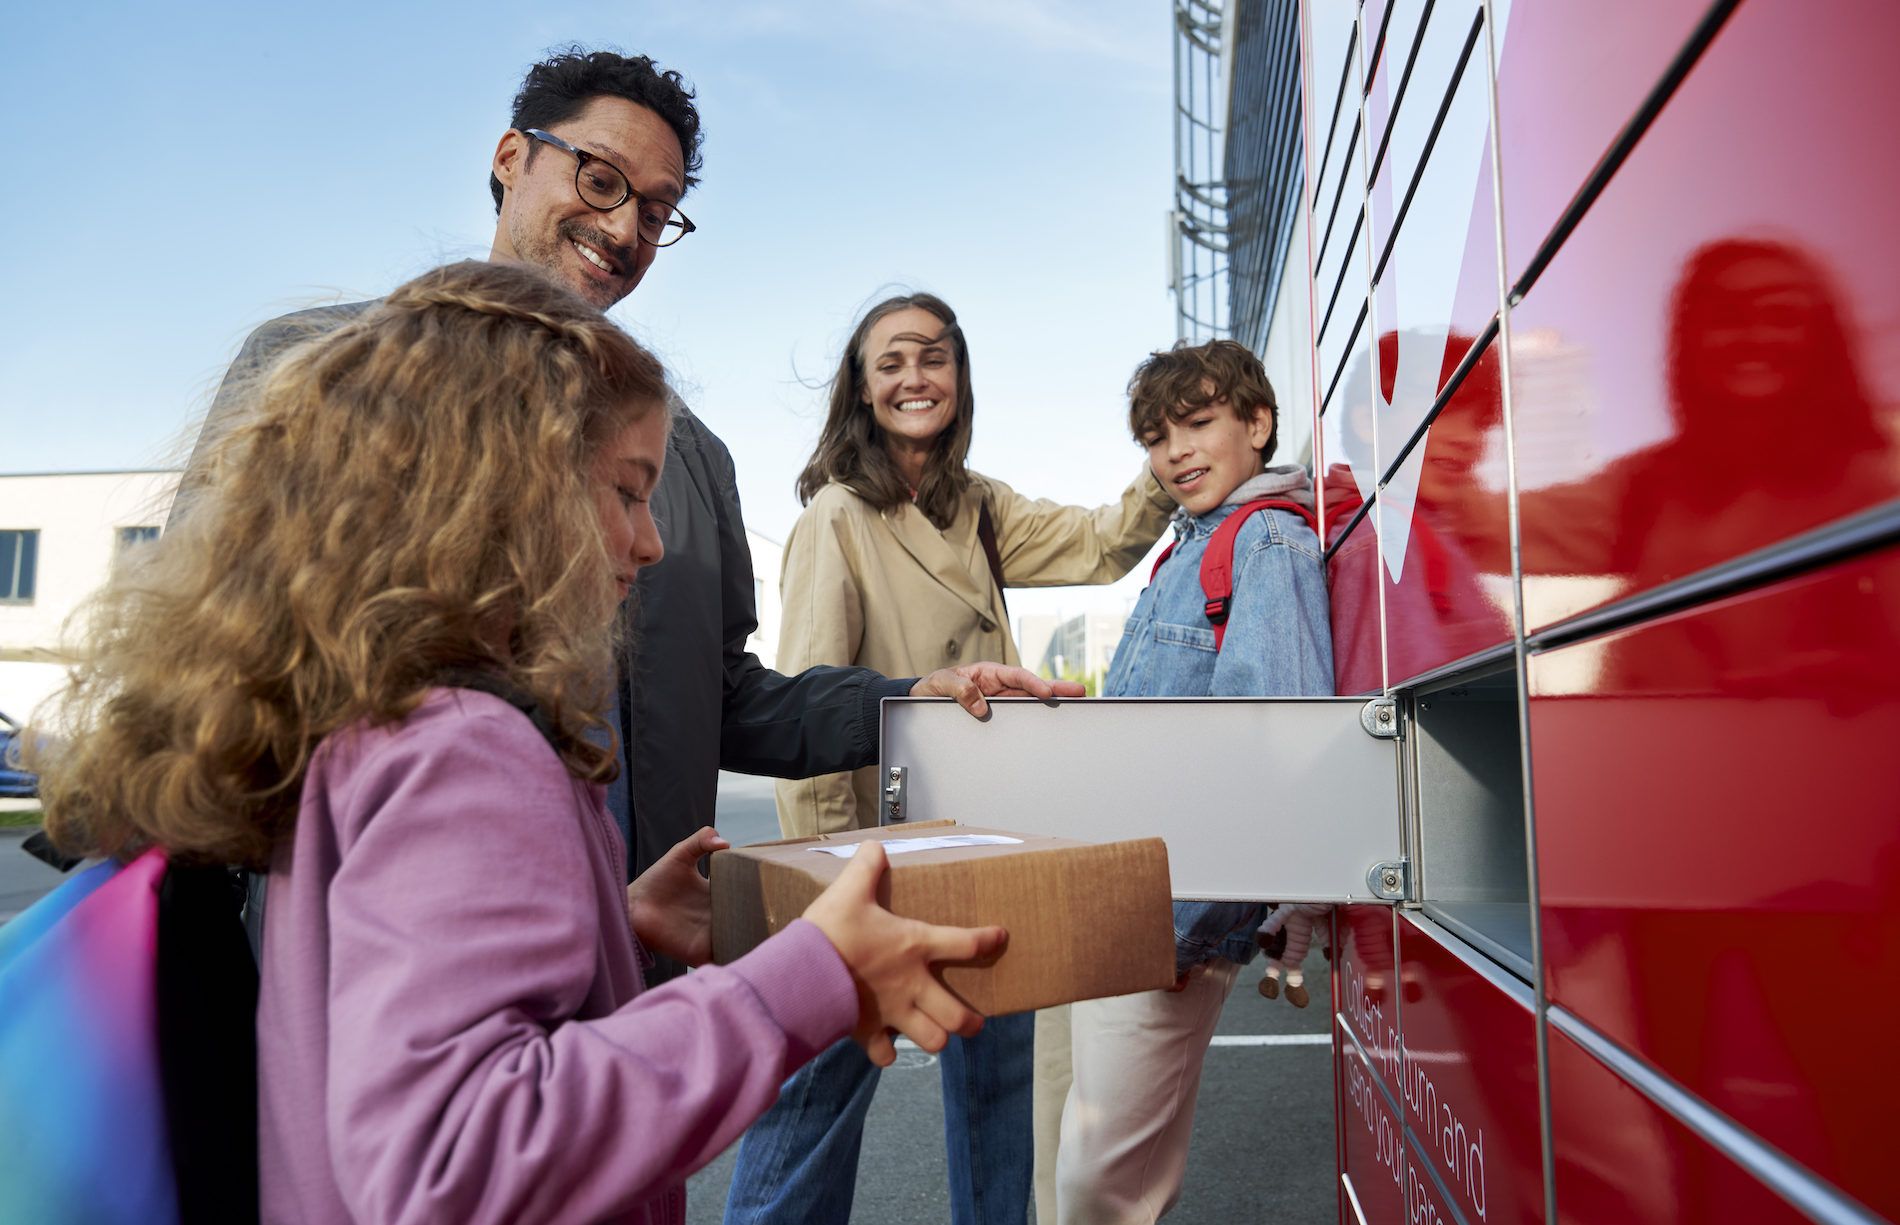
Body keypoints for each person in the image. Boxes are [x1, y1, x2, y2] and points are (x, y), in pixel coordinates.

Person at [31, 260, 1010, 1224]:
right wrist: (808, 976)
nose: (652, 541)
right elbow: (454, 1161)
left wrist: (612, 920)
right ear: (507, 490)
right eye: (627, 492)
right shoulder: (468, 751)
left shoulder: (379, 716)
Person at [178, 49, 1065, 979]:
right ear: (511, 157)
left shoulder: (691, 455)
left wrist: (908, 701)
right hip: (365, 968)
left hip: (634, 965)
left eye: (654, 210)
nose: (622, 227)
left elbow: (723, 699)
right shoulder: (315, 369)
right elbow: (203, 671)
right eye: (599, 178)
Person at [724, 293, 1175, 1225]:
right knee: (818, 1096)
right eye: (890, 362)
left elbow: (1101, 543)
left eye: (933, 356)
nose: (914, 377)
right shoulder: (838, 517)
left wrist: (1173, 454)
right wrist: (823, 888)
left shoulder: (980, 505)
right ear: (861, 388)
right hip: (874, 865)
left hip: (987, 845)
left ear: (960, 376)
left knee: (998, 1087)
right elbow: (810, 711)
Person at [1051, 338, 1333, 1224]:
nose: (1175, 451)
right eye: (1156, 436)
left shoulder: (1266, 543)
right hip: (1127, 903)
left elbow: (1281, 741)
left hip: (1177, 919)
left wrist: (1252, 908)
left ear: (1259, 422)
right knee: (1095, 1168)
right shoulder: (1192, 546)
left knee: (1103, 1187)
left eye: (1199, 422)